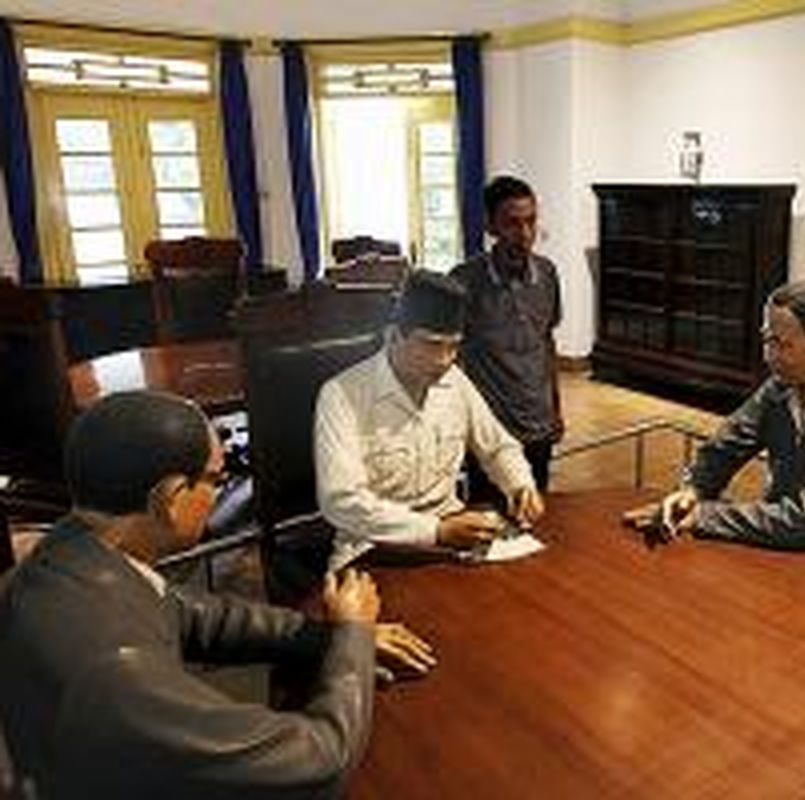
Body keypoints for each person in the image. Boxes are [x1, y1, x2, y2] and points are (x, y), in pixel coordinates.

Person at [0, 391, 436, 800]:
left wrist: (329, 638)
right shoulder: (117, 673)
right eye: (215, 478)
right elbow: (320, 762)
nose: (220, 491)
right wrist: (354, 633)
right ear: (170, 498)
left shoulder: (69, 551)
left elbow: (191, 612)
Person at [625, 280, 805, 548]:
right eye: (767, 340)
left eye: (783, 345)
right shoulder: (782, 385)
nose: (769, 356)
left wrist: (705, 516)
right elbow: (724, 448)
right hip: (777, 537)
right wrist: (693, 490)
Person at [315, 269, 544, 572]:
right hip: (372, 547)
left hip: (453, 538)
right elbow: (341, 501)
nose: (445, 359)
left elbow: (498, 447)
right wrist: (434, 531)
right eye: (433, 344)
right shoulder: (342, 395)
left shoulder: (454, 381)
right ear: (394, 336)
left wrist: (519, 484)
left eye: (454, 346)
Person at [450, 175, 563, 497]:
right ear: (490, 226)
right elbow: (448, 360)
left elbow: (547, 343)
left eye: (531, 222)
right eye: (512, 224)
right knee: (488, 526)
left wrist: (555, 408)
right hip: (489, 432)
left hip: (538, 425)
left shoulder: (549, 274)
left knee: (538, 515)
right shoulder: (464, 281)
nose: (525, 235)